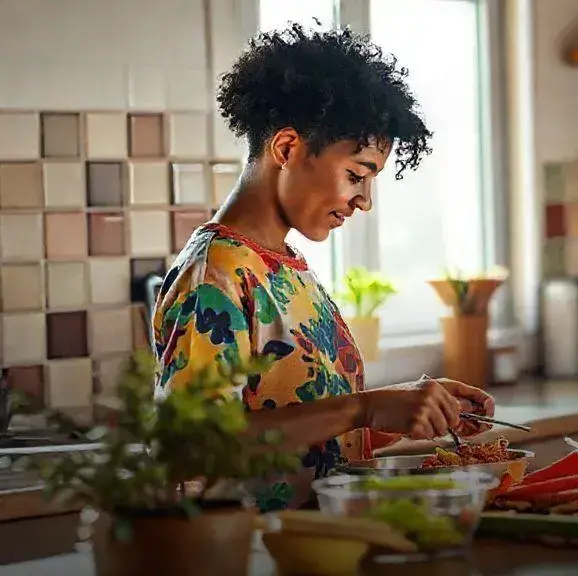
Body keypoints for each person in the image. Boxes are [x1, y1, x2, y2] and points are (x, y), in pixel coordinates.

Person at [151, 24, 495, 511]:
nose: (365, 201)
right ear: (287, 148)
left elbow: (312, 435)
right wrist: (365, 406)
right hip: (246, 550)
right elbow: (187, 448)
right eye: (356, 175)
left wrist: (406, 413)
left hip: (312, 543)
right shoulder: (216, 277)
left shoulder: (286, 268)